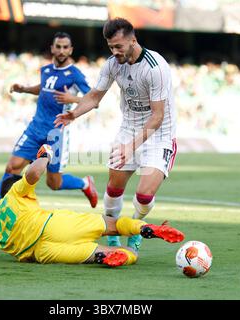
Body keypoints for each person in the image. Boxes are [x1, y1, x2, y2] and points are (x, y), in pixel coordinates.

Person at [0, 144, 185, 267]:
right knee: (113, 225)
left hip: (42, 253)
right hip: (55, 224)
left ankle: (112, 256)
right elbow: (34, 174)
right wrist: (45, 155)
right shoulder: (16, 193)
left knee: (99, 253)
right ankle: (144, 228)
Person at [54, 18, 177, 251]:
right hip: (128, 129)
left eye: (118, 46)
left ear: (133, 40)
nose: (114, 51)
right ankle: (112, 236)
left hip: (159, 134)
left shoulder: (155, 67)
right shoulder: (112, 64)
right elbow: (93, 97)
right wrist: (74, 114)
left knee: (143, 194)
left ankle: (136, 228)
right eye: (111, 47)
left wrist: (131, 146)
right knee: (113, 188)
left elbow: (158, 115)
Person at [0, 32, 98, 227]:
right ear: (52, 48)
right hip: (34, 128)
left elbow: (93, 100)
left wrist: (71, 100)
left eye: (66, 47)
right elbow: (44, 88)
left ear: (71, 50)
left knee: (53, 183)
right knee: (12, 167)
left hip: (55, 134)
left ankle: (85, 184)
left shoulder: (75, 74)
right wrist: (23, 89)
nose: (62, 50)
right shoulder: (46, 69)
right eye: (59, 46)